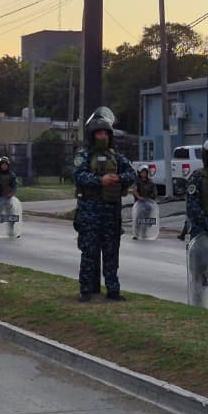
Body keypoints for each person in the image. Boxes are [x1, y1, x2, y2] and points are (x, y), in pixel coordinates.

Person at [73, 108, 136, 301]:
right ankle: (86, 289)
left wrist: (118, 178)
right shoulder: (84, 155)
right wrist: (100, 180)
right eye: (99, 133)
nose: (102, 136)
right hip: (90, 210)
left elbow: (131, 174)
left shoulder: (116, 157)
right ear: (92, 135)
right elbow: (78, 175)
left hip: (111, 211)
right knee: (89, 252)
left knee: (111, 252)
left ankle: (113, 289)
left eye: (105, 133)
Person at [0, 156, 19, 238]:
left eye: (5, 165)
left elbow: (15, 186)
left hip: (9, 198)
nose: (4, 166)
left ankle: (11, 231)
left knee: (12, 215)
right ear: (0, 166)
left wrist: (12, 193)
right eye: (2, 165)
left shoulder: (12, 175)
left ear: (8, 165)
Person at [131, 165, 158, 240]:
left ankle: (144, 233)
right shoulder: (137, 181)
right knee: (138, 219)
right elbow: (134, 190)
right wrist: (139, 197)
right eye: (142, 172)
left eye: (145, 172)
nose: (144, 174)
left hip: (148, 204)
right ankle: (136, 233)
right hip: (139, 204)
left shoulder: (151, 182)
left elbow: (155, 193)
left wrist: (149, 198)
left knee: (146, 219)